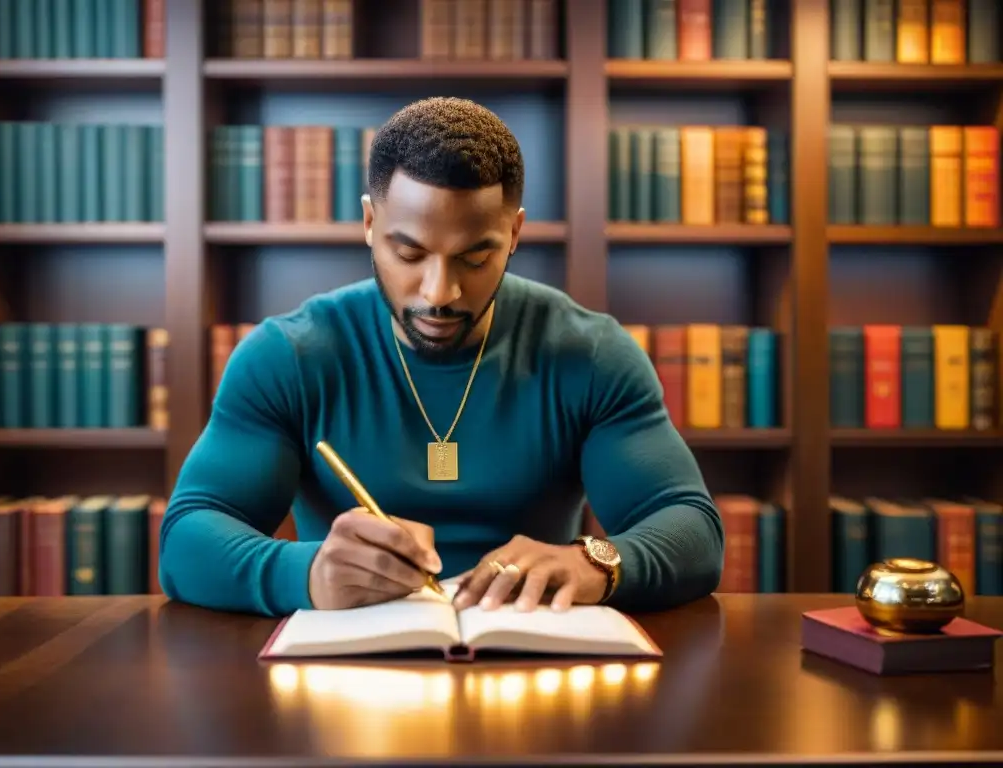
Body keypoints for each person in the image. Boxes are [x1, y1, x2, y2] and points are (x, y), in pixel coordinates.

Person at [159, 97, 724, 618]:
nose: (439, 292)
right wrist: (305, 574)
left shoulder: (591, 352)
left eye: (476, 258)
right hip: (348, 680)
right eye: (409, 253)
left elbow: (695, 532)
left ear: (515, 234)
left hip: (530, 660)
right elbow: (185, 540)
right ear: (368, 225)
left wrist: (596, 562)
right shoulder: (287, 356)